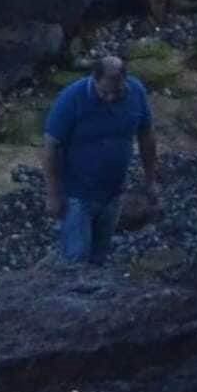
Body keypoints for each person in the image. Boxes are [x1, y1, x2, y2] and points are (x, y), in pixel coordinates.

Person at [43, 56, 158, 264]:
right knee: (76, 258)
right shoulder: (72, 98)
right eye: (104, 92)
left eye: (117, 92)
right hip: (77, 194)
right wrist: (52, 194)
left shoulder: (136, 92)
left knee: (100, 258)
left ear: (125, 79)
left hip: (113, 193)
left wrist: (150, 179)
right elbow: (51, 145)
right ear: (94, 79)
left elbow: (146, 135)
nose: (111, 98)